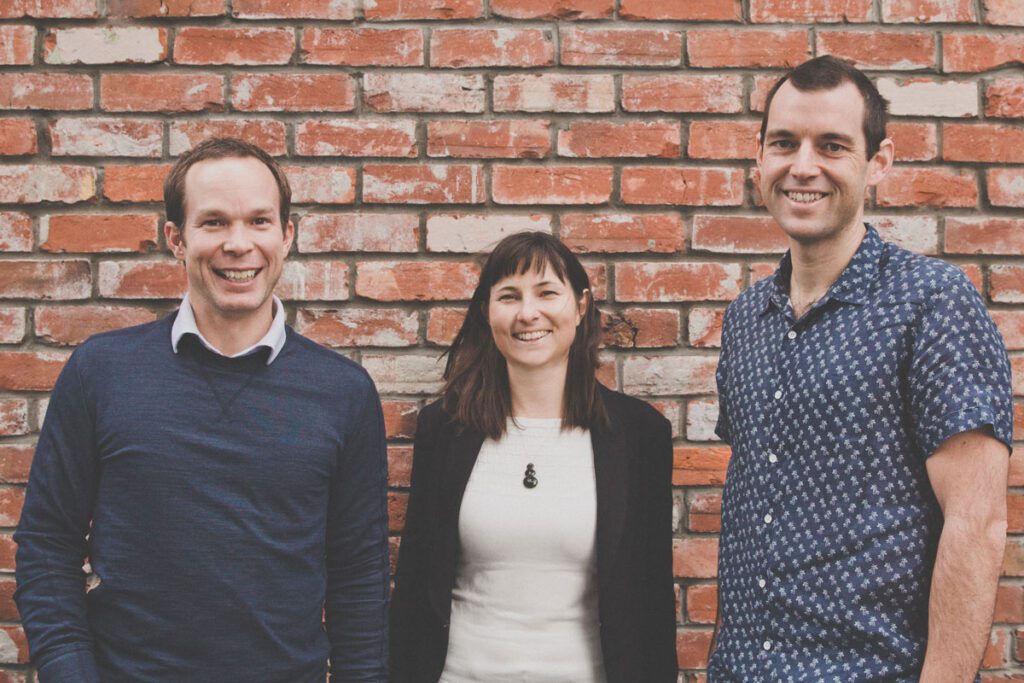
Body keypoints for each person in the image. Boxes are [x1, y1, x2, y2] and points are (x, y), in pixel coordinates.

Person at [14, 137, 390, 682]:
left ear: (286, 236)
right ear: (176, 238)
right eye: (214, 222)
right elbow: (47, 545)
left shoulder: (343, 392)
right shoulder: (102, 371)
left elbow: (360, 578)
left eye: (259, 221)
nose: (239, 244)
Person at [709, 56, 1013, 681]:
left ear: (879, 162)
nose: (803, 166)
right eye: (784, 143)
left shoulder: (931, 303)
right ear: (758, 158)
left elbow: (977, 524)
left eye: (833, 146)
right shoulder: (746, 320)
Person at [389, 232, 676, 682]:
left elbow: (653, 600)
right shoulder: (444, 429)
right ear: (488, 311)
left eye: (546, 293)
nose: (528, 313)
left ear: (580, 306)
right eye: (508, 296)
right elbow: (413, 587)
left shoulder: (639, 435)